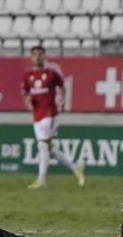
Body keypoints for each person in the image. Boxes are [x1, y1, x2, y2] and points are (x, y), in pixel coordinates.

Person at [21, 45, 85, 189]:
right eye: (35, 54)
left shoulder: (51, 73)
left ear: (44, 56)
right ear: (31, 58)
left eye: (40, 54)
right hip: (37, 115)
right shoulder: (28, 75)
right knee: (49, 149)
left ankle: (41, 179)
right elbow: (25, 93)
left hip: (50, 113)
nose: (38, 57)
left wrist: (62, 100)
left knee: (43, 145)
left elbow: (62, 87)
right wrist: (27, 101)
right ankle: (76, 168)